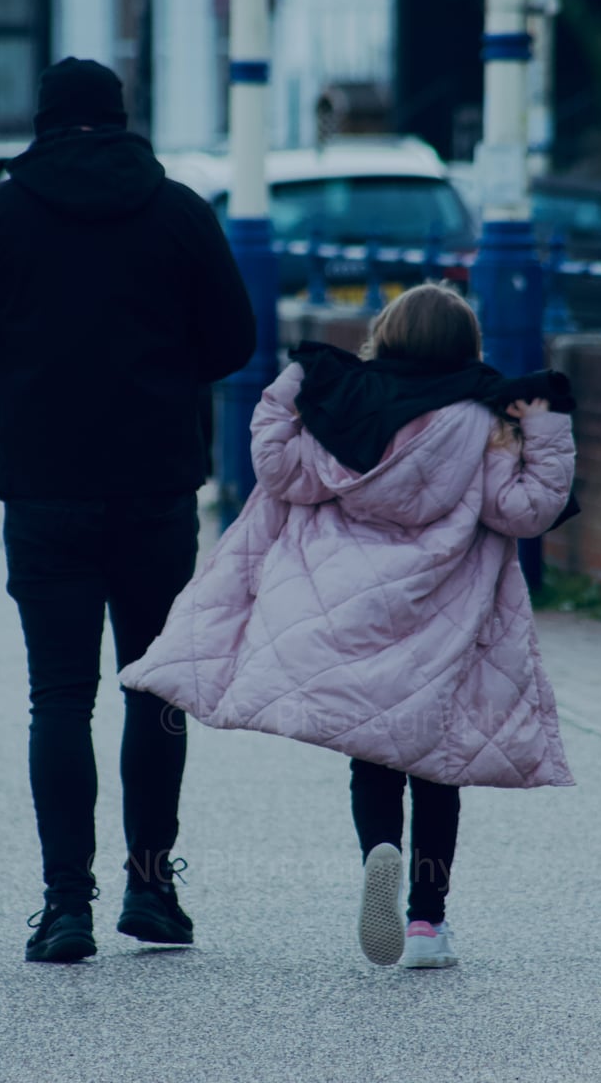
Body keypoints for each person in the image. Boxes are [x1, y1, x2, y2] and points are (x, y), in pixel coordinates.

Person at [120, 282, 576, 970]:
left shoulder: (342, 408)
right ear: (465, 346)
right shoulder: (485, 421)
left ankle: (378, 858)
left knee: (374, 750)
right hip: (444, 620)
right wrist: (545, 423)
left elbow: (278, 471)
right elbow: (526, 511)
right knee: (436, 767)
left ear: (385, 336)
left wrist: (288, 386)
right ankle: (427, 926)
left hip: (354, 617)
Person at [0, 56, 256, 963]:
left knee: (59, 697)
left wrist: (19, 359)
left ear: (45, 120)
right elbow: (235, 339)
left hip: (43, 488)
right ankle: (150, 887)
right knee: (156, 690)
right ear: (120, 118)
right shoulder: (179, 211)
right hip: (154, 488)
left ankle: (66, 906)